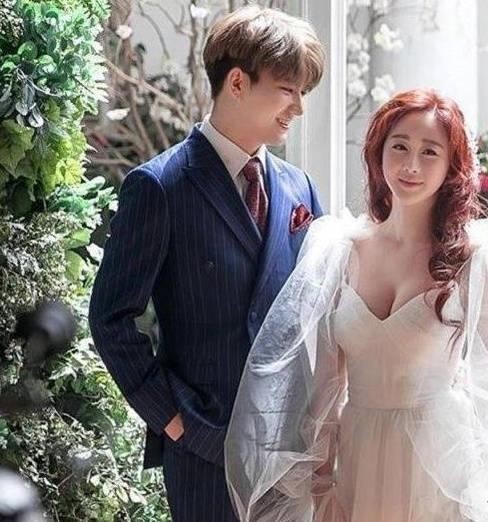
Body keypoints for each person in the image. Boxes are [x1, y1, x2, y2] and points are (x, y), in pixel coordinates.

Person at [224, 89, 488, 522]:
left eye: (430, 152)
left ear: (452, 166)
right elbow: (326, 387)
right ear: (378, 152)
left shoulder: (473, 263)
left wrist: (485, 489)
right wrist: (321, 483)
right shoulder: (340, 251)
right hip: (358, 459)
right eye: (399, 146)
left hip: (439, 466)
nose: (411, 165)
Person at [88, 6, 325, 521]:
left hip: (291, 452)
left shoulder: (299, 187)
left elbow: (321, 304)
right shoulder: (160, 186)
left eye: (303, 92)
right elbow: (110, 317)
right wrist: (175, 420)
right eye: (288, 90)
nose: (299, 108)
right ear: (237, 82)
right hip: (204, 449)